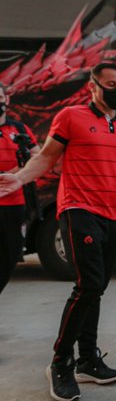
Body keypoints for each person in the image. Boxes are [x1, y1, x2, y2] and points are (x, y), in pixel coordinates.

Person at [0, 62, 116, 401]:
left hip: (112, 216)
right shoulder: (71, 117)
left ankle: (87, 359)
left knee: (96, 289)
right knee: (89, 285)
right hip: (79, 209)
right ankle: (60, 362)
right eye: (110, 83)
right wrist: (20, 178)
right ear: (93, 87)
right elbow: (47, 158)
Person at [0, 82, 41, 295]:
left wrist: (16, 173)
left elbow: (39, 156)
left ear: (6, 99)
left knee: (11, 254)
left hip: (15, 204)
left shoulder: (19, 129)